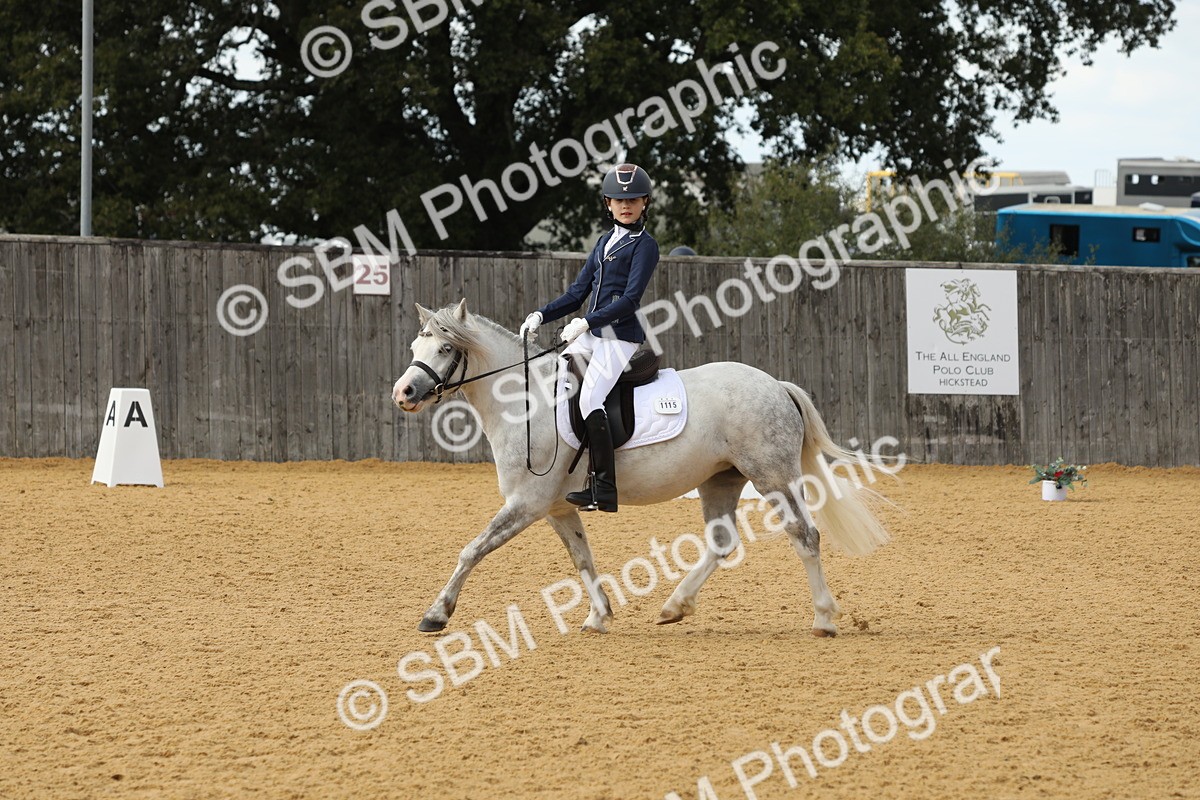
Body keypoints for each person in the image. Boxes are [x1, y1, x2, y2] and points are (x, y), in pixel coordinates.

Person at [519, 163, 660, 513]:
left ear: (645, 203)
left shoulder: (645, 246)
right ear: (607, 204)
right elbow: (577, 292)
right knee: (554, 381)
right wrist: (541, 314)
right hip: (593, 332)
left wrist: (585, 322)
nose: (625, 205)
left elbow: (630, 299)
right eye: (618, 200)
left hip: (619, 336)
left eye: (633, 200)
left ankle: (605, 487)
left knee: (589, 398)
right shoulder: (603, 242)